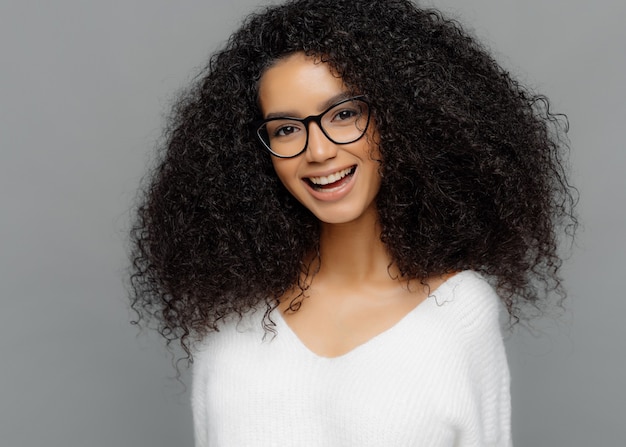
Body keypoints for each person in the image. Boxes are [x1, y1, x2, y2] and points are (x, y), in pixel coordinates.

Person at [129, 0, 577, 445]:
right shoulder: (229, 319)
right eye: (286, 129)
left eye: (344, 115)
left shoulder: (459, 312)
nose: (318, 151)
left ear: (402, 119)